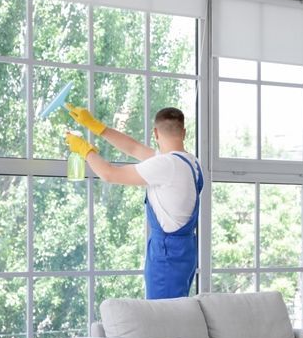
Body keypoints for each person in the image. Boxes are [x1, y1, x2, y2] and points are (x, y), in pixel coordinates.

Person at [64, 106, 203, 300]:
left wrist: (85, 150)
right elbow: (134, 148)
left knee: (162, 319)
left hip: (166, 257)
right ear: (184, 132)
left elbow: (109, 174)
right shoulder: (191, 163)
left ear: (155, 133)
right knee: (174, 312)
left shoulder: (165, 165)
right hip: (183, 252)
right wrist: (96, 126)